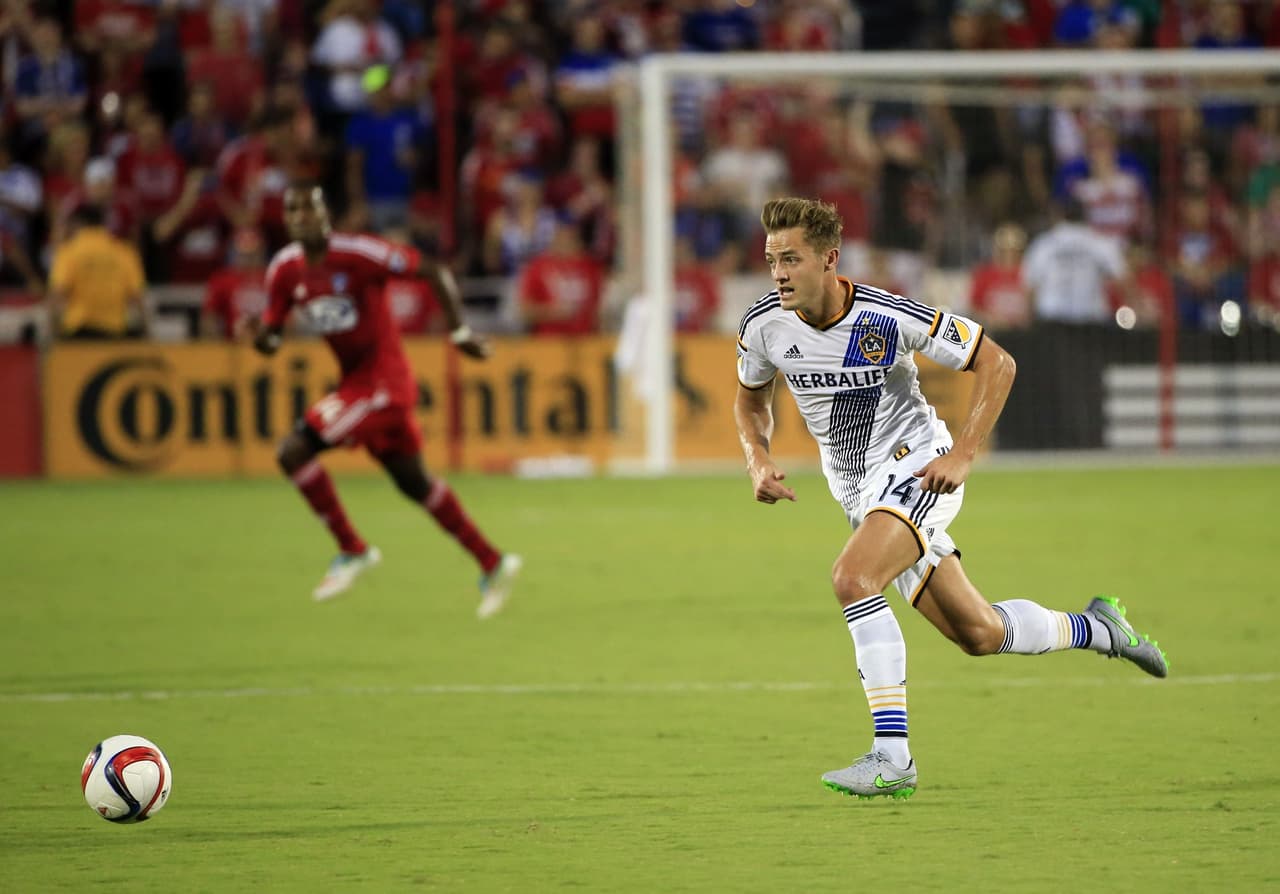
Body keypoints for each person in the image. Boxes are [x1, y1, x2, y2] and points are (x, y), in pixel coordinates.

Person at [733, 197, 1167, 801]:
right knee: (980, 633)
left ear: (829, 260)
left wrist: (963, 453)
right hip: (862, 495)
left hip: (918, 468)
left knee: (853, 578)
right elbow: (751, 400)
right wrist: (757, 459)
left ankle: (893, 758)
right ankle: (1099, 627)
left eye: (792, 259)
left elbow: (998, 362)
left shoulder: (888, 315)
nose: (778, 272)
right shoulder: (763, 325)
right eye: (772, 259)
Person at [252, 181, 521, 616]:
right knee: (414, 483)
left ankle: (352, 549)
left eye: (310, 209)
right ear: (286, 219)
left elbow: (431, 270)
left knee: (294, 449)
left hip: (383, 383)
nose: (302, 217)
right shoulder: (285, 271)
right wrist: (261, 337)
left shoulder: (358, 254)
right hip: (357, 384)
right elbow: (270, 338)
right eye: (293, 210)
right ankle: (493, 561)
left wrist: (458, 331)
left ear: (326, 215)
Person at [48, 204, 147, 339]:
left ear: (78, 224)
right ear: (104, 224)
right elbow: (137, 298)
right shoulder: (124, 252)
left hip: (79, 333)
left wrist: (54, 333)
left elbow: (58, 294)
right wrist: (146, 331)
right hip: (115, 334)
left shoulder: (69, 252)